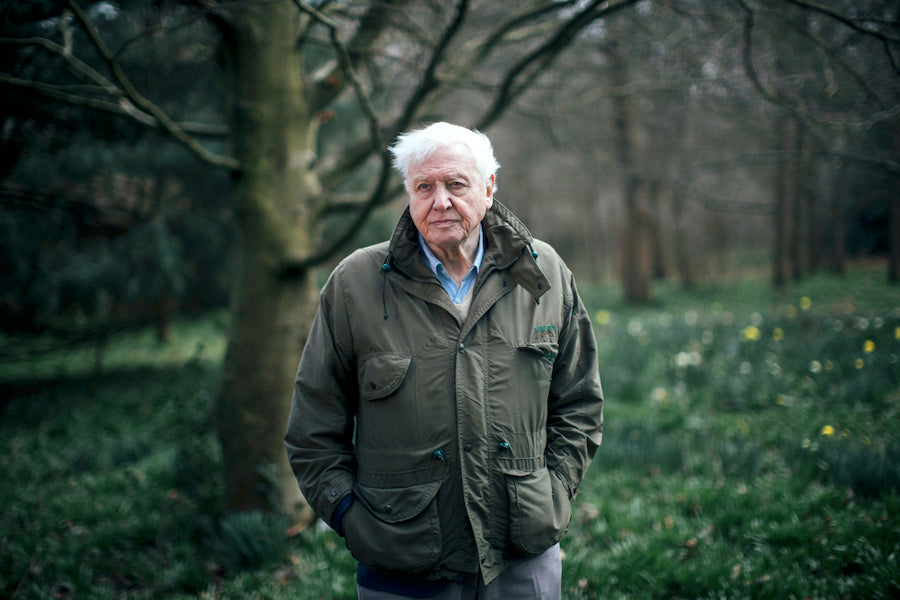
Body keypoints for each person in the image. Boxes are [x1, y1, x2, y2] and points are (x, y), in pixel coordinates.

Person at [284, 122, 603, 599]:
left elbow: (579, 402)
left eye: (456, 184)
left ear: (489, 188)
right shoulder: (356, 284)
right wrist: (352, 517)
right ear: (409, 194)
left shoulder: (544, 272)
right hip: (401, 562)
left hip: (522, 558)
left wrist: (554, 492)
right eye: (424, 187)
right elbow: (313, 428)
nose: (440, 201)